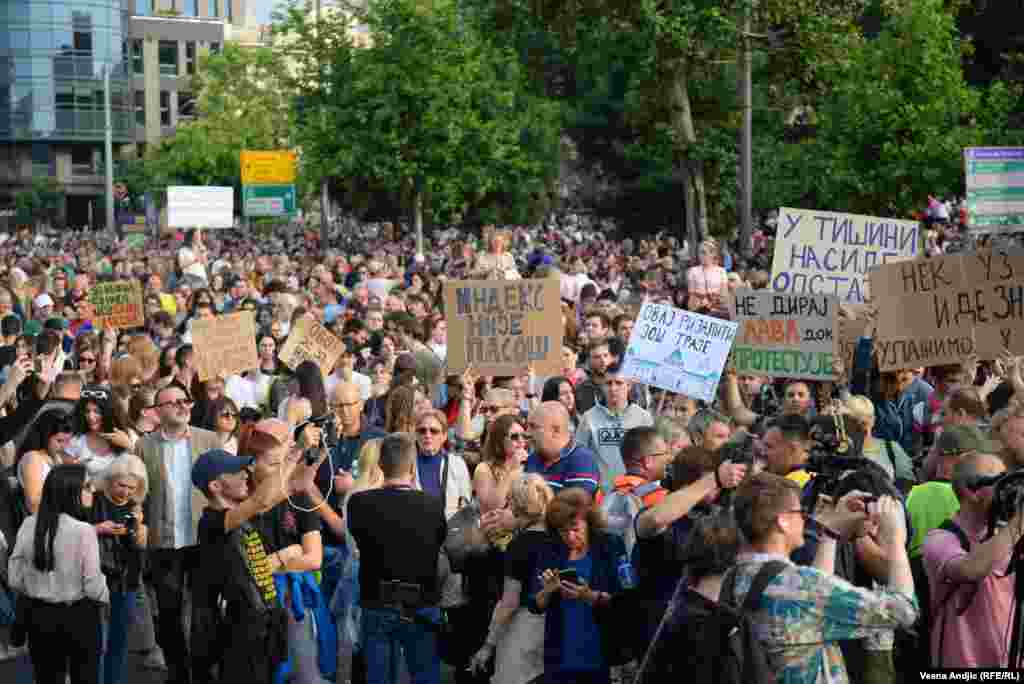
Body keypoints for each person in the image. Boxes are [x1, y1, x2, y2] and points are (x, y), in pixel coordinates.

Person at [730, 472, 917, 684]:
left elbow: (813, 603)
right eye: (800, 512)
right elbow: (903, 611)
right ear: (783, 521)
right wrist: (895, 540)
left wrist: (830, 534)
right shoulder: (799, 585)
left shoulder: (736, 575)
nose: (805, 518)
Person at [189, 441, 319, 684]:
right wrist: (294, 453)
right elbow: (260, 501)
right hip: (239, 630)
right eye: (235, 473)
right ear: (216, 486)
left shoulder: (238, 512)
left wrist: (294, 482)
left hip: (262, 622)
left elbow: (271, 497)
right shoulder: (213, 522)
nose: (244, 476)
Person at [136, 383, 222, 684]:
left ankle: (204, 671)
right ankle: (178, 673)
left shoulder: (210, 440)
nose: (182, 406)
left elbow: (224, 487)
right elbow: (139, 494)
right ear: (158, 411)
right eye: (173, 403)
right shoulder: (144, 445)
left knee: (204, 611)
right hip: (164, 543)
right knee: (169, 613)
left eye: (185, 401)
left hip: (203, 540)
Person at [347, 433, 448, 684]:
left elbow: (358, 539)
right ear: (413, 467)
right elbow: (439, 542)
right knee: (425, 676)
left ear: (380, 466)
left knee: (378, 677)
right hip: (421, 604)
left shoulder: (359, 503)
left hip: (378, 603)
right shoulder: (432, 505)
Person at [7, 464, 109, 684]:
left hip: (39, 616)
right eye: (87, 487)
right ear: (71, 491)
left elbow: (14, 577)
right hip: (80, 616)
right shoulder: (84, 531)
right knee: (85, 677)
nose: (92, 491)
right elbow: (93, 586)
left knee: (46, 678)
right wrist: (106, 592)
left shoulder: (29, 524)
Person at [922, 452, 1021, 668]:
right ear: (971, 491)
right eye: (1000, 482)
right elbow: (970, 569)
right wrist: (1019, 522)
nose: (1009, 489)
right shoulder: (940, 539)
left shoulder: (1008, 534)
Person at [528, 488, 626, 684]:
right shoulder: (551, 550)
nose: (570, 537)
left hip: (601, 656)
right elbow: (535, 604)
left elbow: (625, 601)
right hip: (560, 659)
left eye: (575, 528)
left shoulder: (610, 546)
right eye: (563, 531)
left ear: (589, 521)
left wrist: (591, 596)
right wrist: (547, 591)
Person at [468, 474, 554, 684]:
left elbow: (509, 602)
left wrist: (488, 645)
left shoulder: (520, 545)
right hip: (553, 630)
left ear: (515, 505)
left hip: (522, 630)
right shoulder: (558, 540)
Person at [92, 454, 149, 684]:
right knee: (95, 640)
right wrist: (98, 528)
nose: (125, 491)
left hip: (127, 577)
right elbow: (73, 531)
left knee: (120, 638)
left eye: (131, 487)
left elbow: (143, 545)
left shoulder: (138, 507)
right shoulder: (94, 500)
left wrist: (141, 531)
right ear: (110, 480)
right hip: (96, 575)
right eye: (121, 484)